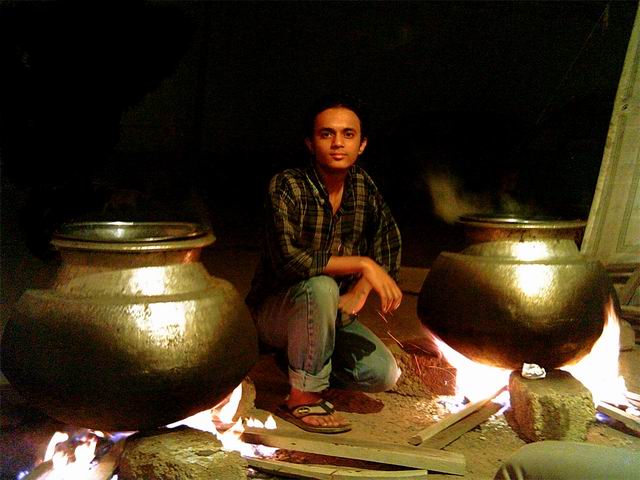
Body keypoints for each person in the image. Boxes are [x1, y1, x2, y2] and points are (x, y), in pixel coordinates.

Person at [246, 94, 403, 434]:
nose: (337, 143)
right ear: (310, 142)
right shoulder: (287, 185)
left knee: (382, 373)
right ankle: (302, 396)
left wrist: (362, 289)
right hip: (276, 310)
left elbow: (389, 241)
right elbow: (290, 260)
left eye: (348, 135)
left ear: (361, 145)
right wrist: (362, 263)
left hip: (330, 315)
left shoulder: (363, 187)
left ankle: (297, 362)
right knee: (321, 285)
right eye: (326, 134)